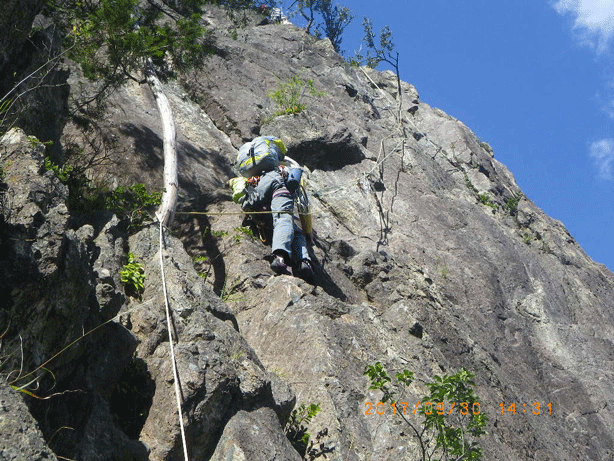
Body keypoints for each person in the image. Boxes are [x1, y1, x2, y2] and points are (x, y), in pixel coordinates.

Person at [230, 137, 314, 282]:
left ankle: (303, 262)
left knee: (294, 230)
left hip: (255, 190)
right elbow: (303, 206)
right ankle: (281, 258)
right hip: (276, 184)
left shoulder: (250, 166)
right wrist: (309, 234)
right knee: (283, 218)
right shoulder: (285, 166)